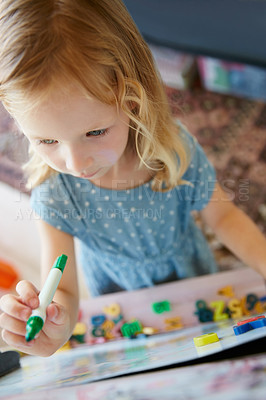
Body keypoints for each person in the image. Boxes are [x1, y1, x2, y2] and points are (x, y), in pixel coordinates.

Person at [0, 0, 265, 357]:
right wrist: (56, 325)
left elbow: (224, 216)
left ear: (133, 100)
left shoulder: (173, 150)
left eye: (95, 132)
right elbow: (61, 290)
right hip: (120, 302)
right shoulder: (54, 194)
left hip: (193, 275)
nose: (76, 162)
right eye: (47, 140)